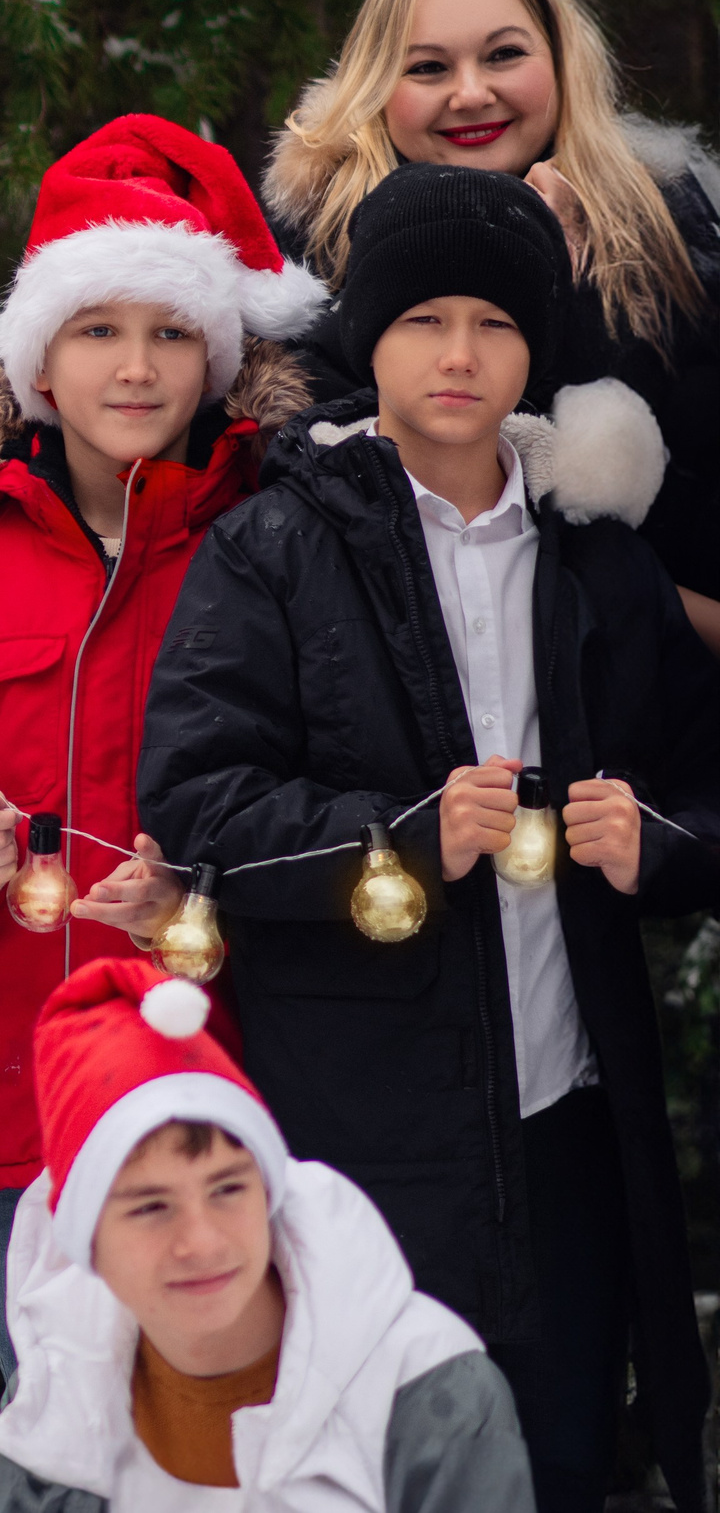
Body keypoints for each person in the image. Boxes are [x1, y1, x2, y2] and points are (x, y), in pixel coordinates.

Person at [139, 163, 720, 1513]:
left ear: (537, 347)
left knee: (567, 1460)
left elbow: (704, 782)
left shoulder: (596, 555)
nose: (461, 354)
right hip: (365, 1127)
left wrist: (663, 844)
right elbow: (201, 799)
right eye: (423, 320)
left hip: (571, 1111)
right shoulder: (276, 545)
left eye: (497, 323)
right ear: (371, 339)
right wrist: (398, 838)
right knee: (384, 1471)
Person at [0, 114, 321, 1380]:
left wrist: (199, 893)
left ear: (215, 361)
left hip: (222, 1080)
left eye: (172, 331)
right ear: (38, 364)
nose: (135, 366)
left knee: (225, 1432)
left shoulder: (267, 551)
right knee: (58, 1428)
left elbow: (316, 802)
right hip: (29, 1096)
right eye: (98, 329)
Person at [265, 0, 720, 655]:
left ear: (561, 61)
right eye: (428, 68)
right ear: (379, 85)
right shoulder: (309, 263)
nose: (472, 93)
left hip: (655, 706)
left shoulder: (669, 236)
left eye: (504, 55)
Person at [0, 957, 536, 1510]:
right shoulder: (49, 1408)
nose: (201, 1242)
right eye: (151, 1206)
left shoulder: (427, 1393)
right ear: (86, 1240)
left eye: (228, 1189)